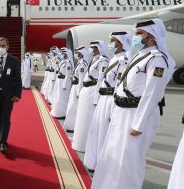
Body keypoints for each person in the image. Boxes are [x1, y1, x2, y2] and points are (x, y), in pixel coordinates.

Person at [92, 19, 176, 189]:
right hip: (122, 112)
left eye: (139, 34)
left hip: (136, 114)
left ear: (151, 37)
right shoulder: (138, 56)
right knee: (115, 155)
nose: (135, 37)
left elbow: (152, 94)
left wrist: (138, 124)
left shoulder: (157, 60)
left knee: (129, 159)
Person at [84, 31, 132, 172]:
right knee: (97, 132)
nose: (111, 44)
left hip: (111, 101)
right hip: (103, 100)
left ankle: (102, 166)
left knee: (104, 134)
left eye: (113, 41)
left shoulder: (123, 60)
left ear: (122, 43)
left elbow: (119, 85)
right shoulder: (114, 58)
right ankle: (94, 162)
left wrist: (114, 108)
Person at [72, 40, 109, 152]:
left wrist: (96, 98)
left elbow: (101, 80)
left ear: (98, 48)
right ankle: (80, 143)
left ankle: (86, 146)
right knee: (81, 118)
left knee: (87, 119)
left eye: (93, 47)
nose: (91, 49)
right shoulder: (94, 60)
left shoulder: (104, 61)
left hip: (93, 92)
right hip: (86, 90)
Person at [0, 37, 22, 153]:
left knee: (5, 118)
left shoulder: (13, 61)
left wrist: (18, 94)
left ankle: (3, 142)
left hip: (8, 95)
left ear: (7, 47)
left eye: (3, 46)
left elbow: (18, 79)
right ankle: (0, 138)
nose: (1, 48)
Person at [64, 46, 89, 133]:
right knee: (71, 106)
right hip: (74, 86)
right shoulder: (80, 62)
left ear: (81, 53)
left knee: (74, 107)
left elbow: (81, 79)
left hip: (77, 87)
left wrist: (79, 92)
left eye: (77, 53)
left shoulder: (83, 64)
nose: (76, 54)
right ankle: (70, 125)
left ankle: (73, 126)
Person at [50, 47, 74, 119]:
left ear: (66, 54)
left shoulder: (68, 63)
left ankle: (62, 114)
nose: (62, 54)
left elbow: (67, 75)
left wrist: (64, 85)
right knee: (58, 98)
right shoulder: (63, 61)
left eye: (63, 53)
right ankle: (57, 112)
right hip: (59, 81)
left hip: (64, 82)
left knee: (63, 99)